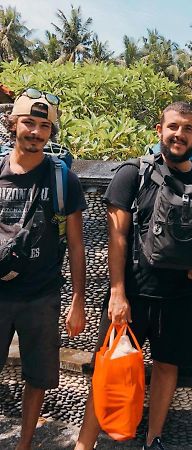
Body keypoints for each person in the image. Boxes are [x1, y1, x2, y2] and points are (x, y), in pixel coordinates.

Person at [75, 101, 192, 450]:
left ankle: (154, 439)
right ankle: (85, 445)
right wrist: (117, 293)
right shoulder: (133, 173)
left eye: (187, 128)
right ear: (159, 131)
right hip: (134, 294)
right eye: (173, 127)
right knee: (106, 371)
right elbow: (116, 235)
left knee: (167, 367)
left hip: (182, 296)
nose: (180, 134)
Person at [0, 88, 87, 450]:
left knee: (37, 376)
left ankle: (24, 445)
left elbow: (78, 243)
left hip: (41, 295)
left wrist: (78, 299)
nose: (35, 132)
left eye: (43, 126)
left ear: (51, 132)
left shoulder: (62, 179)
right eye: (28, 123)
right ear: (12, 124)